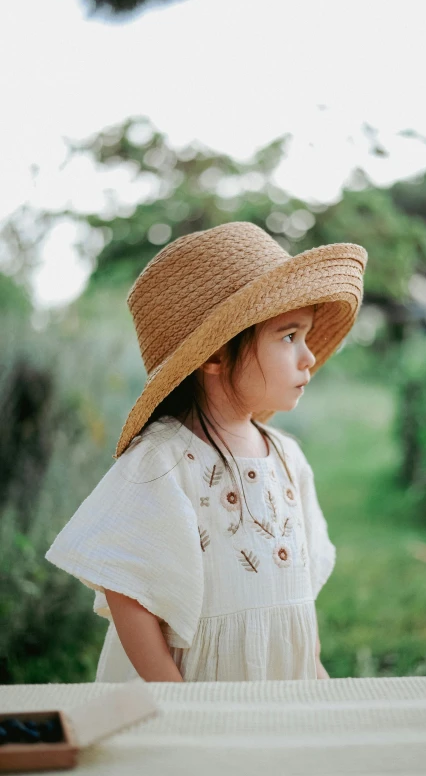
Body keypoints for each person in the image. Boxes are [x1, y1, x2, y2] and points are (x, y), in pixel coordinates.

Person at [45, 221, 367, 683]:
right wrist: (177, 699)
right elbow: (127, 590)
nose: (309, 356)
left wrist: (313, 671)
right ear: (214, 355)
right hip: (198, 685)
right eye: (288, 336)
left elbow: (298, 599)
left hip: (281, 681)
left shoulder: (288, 458)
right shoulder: (163, 460)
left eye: (306, 336)